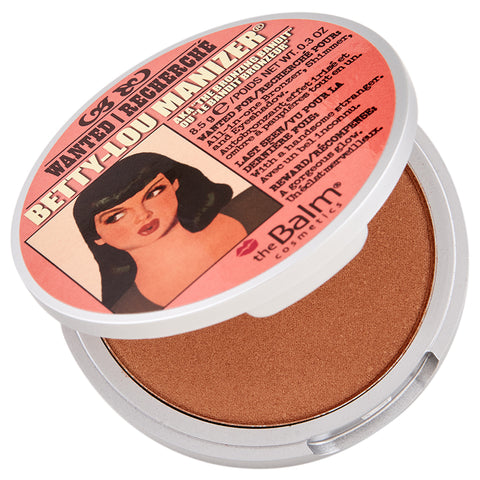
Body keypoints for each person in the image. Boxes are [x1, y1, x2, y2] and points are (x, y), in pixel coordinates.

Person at [73, 152, 247, 313]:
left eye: (153, 193)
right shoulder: (125, 313)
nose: (143, 214)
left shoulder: (256, 205)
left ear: (174, 184)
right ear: (96, 237)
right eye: (116, 216)